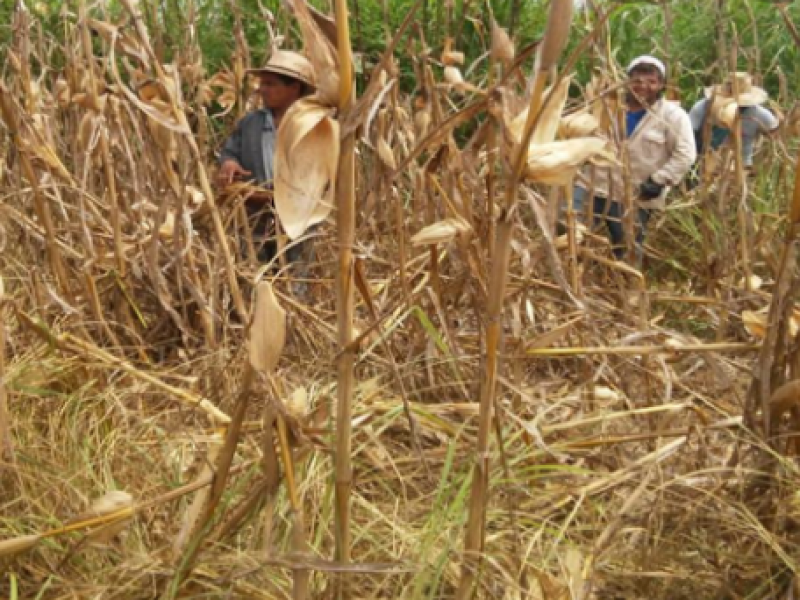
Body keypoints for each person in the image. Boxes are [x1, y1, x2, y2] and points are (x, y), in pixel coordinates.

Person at [573, 55, 696, 263]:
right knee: (569, 234)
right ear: (627, 81)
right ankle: (574, 281)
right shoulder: (605, 107)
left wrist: (659, 180)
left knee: (627, 246)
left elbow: (685, 154)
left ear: (661, 85)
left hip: (635, 194)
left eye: (651, 82)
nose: (643, 87)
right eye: (637, 81)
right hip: (592, 184)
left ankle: (628, 290)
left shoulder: (673, 116)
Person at [217, 49, 315, 264]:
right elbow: (230, 151)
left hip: (298, 225)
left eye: (270, 84)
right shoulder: (251, 123)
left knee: (296, 283)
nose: (261, 90)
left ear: (294, 88)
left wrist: (274, 197)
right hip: (255, 222)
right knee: (256, 278)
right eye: (262, 83)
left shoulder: (314, 126)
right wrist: (229, 163)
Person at [689, 72, 779, 168]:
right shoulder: (702, 107)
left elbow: (774, 135)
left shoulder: (760, 114)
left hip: (741, 166)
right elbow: (689, 136)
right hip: (704, 163)